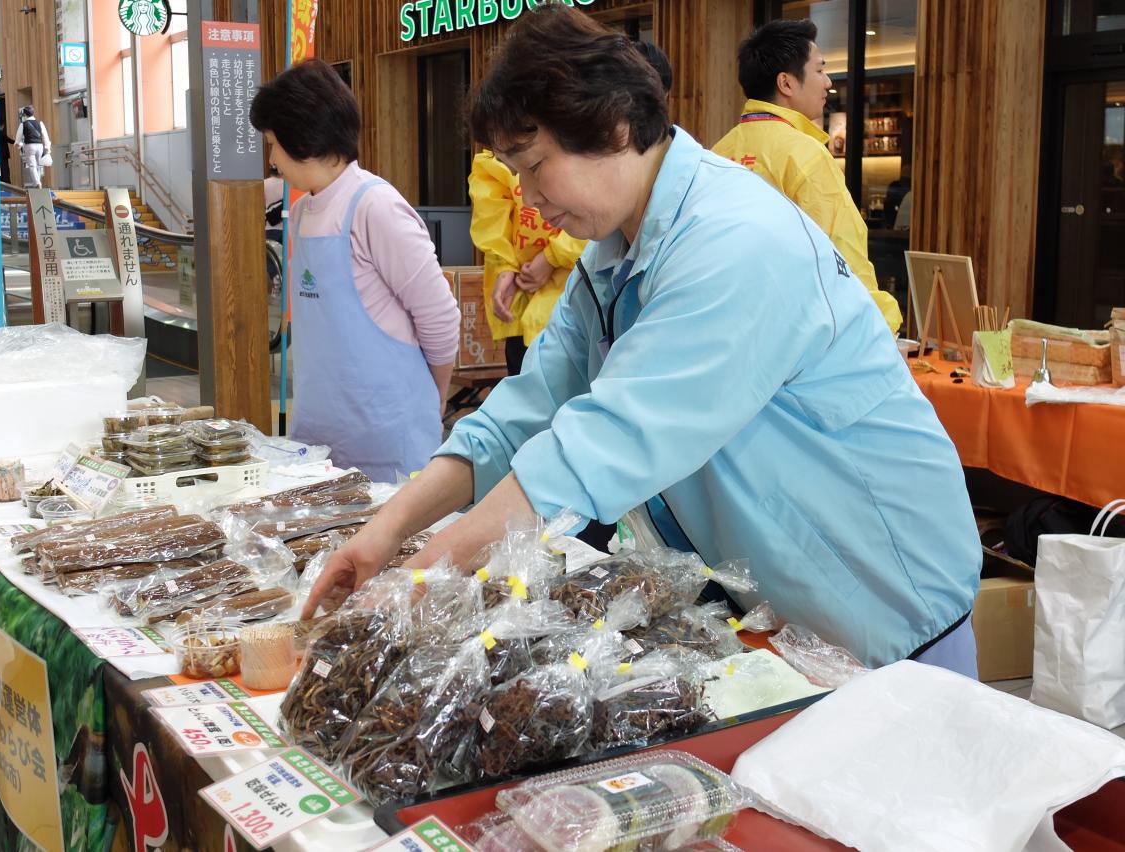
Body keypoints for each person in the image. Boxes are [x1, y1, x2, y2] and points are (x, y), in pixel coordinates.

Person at [303, 6, 981, 675]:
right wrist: (384, 533)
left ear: (616, 124)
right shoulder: (610, 257)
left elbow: (599, 444)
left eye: (536, 166)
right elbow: (523, 413)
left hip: (888, 602)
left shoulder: (733, 240)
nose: (529, 199)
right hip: (780, 609)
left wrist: (421, 576)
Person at [248, 60, 461, 483]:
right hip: (320, 439)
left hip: (388, 441)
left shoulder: (375, 207)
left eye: (273, 143)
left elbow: (440, 316)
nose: (271, 159)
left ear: (303, 139)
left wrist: (432, 397)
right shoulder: (302, 210)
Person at [711, 20, 903, 335]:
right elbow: (844, 258)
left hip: (726, 331)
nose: (829, 82)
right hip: (792, 338)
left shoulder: (717, 153)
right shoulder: (805, 155)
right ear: (786, 83)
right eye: (819, 70)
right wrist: (882, 327)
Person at [469, 150, 587, 376]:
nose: (530, 197)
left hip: (570, 302)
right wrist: (506, 269)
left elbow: (593, 214)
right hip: (521, 305)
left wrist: (551, 257)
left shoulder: (572, 148)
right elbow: (492, 222)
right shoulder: (493, 162)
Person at [14, 106, 51, 188]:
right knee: (39, 165)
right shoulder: (40, 123)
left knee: (32, 166)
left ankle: (37, 183)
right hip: (40, 146)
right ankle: (38, 182)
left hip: (29, 146)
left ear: (25, 114)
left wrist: (19, 145)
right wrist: (47, 148)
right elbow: (45, 136)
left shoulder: (23, 124)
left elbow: (18, 139)